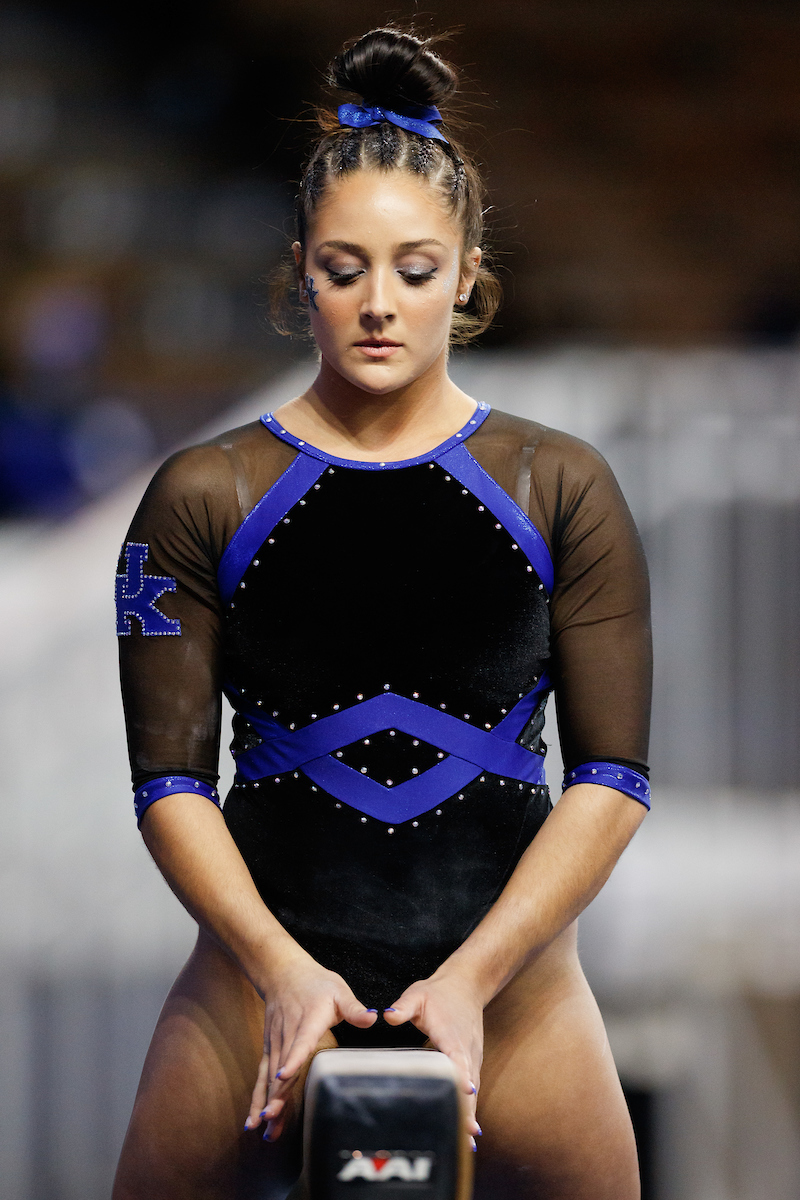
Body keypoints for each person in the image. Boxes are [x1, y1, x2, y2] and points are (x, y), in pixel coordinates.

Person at [112, 26, 652, 1200]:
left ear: (465, 273)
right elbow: (168, 787)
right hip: (255, 980)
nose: (376, 304)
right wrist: (278, 971)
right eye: (341, 268)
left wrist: (471, 982)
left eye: (413, 270)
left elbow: (610, 782)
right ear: (297, 268)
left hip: (511, 990)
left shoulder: (556, 484)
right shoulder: (205, 494)